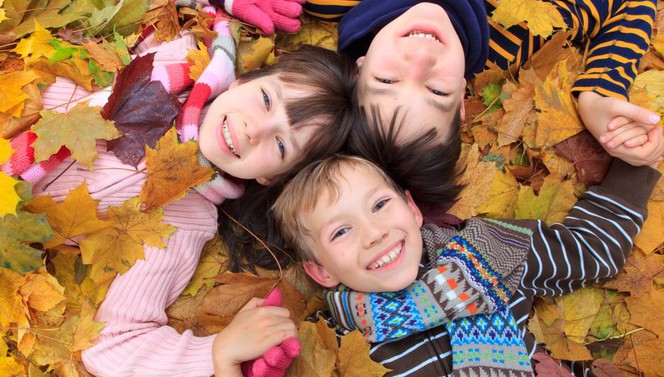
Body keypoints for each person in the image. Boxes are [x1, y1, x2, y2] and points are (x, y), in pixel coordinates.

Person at [1, 2, 358, 376]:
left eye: (282, 145)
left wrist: (219, 351)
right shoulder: (179, 54)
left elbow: (116, 343)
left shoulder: (182, 219)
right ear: (243, 80)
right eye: (267, 100)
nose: (256, 129)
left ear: (272, 177)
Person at [271, 153, 661, 376]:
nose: (373, 233)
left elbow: (590, 251)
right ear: (320, 270)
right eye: (340, 232)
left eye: (379, 205)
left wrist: (636, 165)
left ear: (411, 208)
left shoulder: (491, 250)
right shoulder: (329, 349)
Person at [304, 0, 664, 167]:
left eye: (386, 79)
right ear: (461, 98)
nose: (421, 59)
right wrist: (599, 93)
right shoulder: (513, 36)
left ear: (359, 68)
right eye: (436, 91)